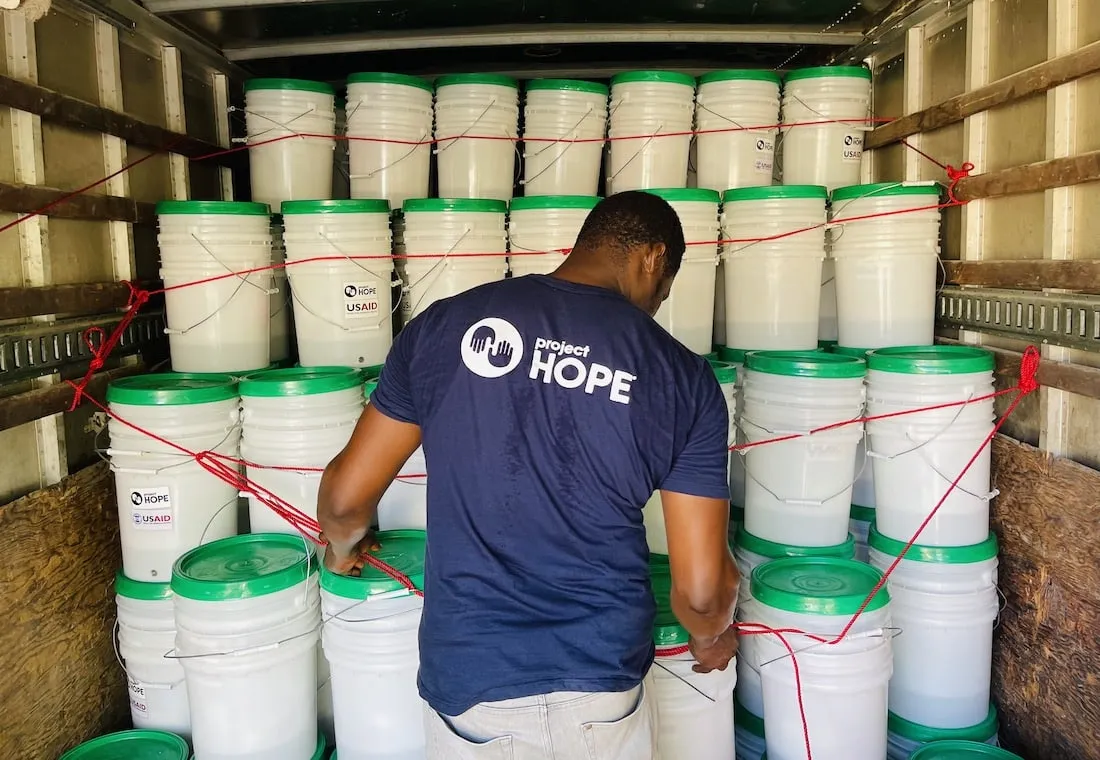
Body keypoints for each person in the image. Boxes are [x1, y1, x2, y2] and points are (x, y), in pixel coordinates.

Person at [318, 190, 739, 760]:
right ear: (653, 258)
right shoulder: (682, 378)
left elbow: (345, 500)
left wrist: (344, 549)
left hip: (470, 682)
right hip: (600, 683)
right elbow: (701, 591)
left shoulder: (444, 327)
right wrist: (711, 638)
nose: (655, 308)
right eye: (663, 292)